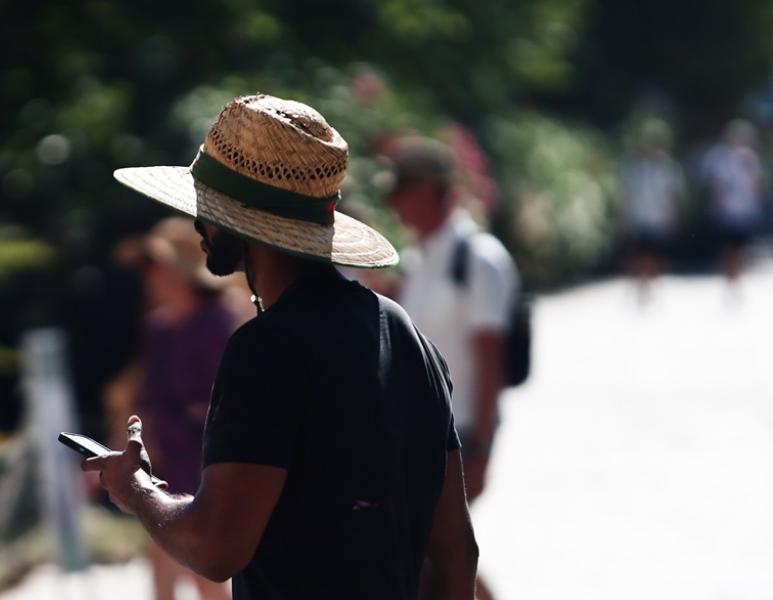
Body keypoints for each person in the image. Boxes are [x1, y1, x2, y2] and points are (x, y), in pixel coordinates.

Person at [84, 94, 479, 599]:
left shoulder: (266, 351)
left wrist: (135, 488)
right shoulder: (403, 335)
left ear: (238, 219)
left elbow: (217, 548)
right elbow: (455, 549)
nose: (198, 224)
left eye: (206, 206)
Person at [383, 135, 518, 600]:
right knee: (429, 554)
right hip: (415, 434)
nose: (394, 202)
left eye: (403, 189)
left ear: (431, 190)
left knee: (435, 552)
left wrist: (482, 443)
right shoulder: (421, 257)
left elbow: (490, 356)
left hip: (457, 437)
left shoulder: (478, 258)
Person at [111, 216, 238, 600]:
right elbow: (146, 400)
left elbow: (222, 403)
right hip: (167, 464)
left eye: (156, 264)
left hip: (207, 466)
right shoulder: (159, 328)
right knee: (162, 568)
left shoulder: (217, 322)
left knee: (204, 573)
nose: (148, 275)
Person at [618, 120, 687, 304]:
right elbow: (627, 193)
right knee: (641, 253)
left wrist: (675, 215)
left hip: (660, 218)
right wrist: (623, 216)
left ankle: (650, 281)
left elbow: (675, 194)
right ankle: (641, 283)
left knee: (655, 254)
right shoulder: (634, 168)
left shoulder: (669, 168)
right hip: (640, 216)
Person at [699, 119, 767, 290]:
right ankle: (729, 276)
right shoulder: (718, 157)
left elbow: (759, 185)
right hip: (726, 211)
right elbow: (711, 183)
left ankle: (737, 277)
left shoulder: (751, 158)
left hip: (746, 210)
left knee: (741, 247)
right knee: (728, 247)